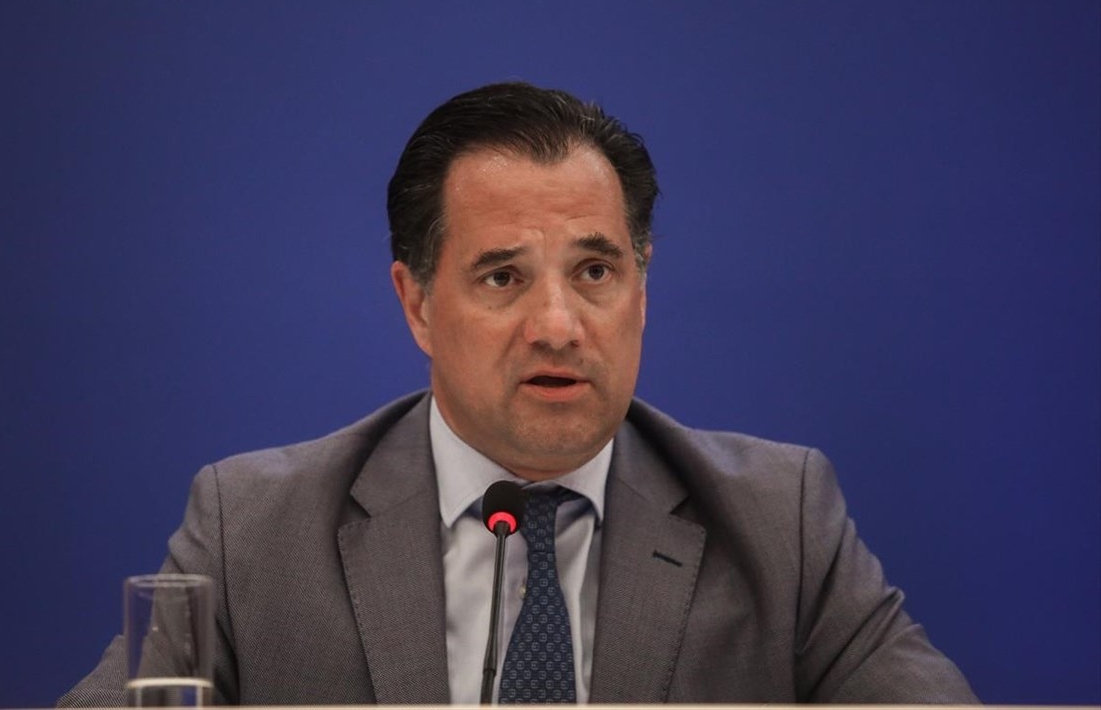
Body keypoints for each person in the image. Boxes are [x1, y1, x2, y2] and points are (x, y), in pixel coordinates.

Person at [60, 82, 977, 705]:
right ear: (418, 304)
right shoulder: (254, 531)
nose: (558, 325)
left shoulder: (782, 522)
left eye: (595, 271)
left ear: (642, 292)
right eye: (503, 278)